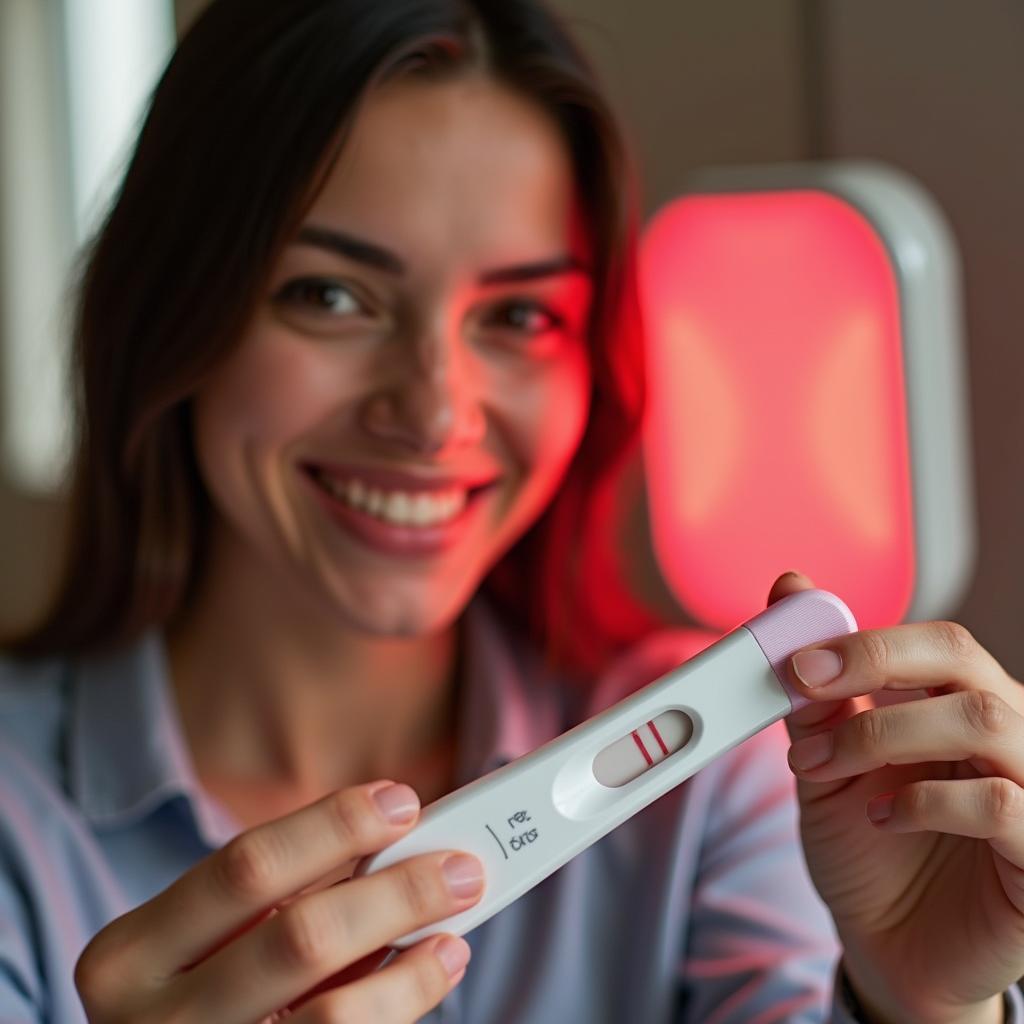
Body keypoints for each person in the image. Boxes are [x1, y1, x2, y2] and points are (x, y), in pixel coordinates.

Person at [1, 0, 1022, 1020]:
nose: (435, 410)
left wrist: (919, 1003)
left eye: (520, 315)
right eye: (331, 295)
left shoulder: (715, 789)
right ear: (175, 308)